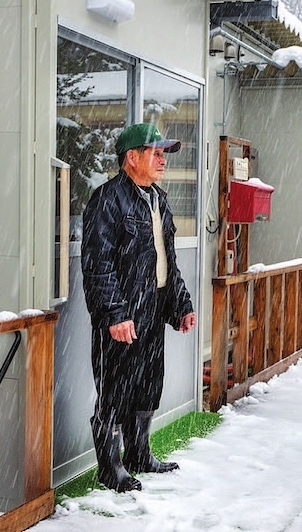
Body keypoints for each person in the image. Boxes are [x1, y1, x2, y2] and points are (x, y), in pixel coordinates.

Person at [81, 123, 197, 493]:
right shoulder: (107, 200)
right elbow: (98, 264)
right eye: (156, 152)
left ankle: (139, 456)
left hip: (153, 312)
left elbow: (167, 262)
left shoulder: (157, 200)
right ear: (131, 158)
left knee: (147, 386)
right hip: (122, 317)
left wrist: (181, 305)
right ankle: (110, 468)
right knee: (114, 392)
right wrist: (115, 314)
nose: (163, 159)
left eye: (164, 153)